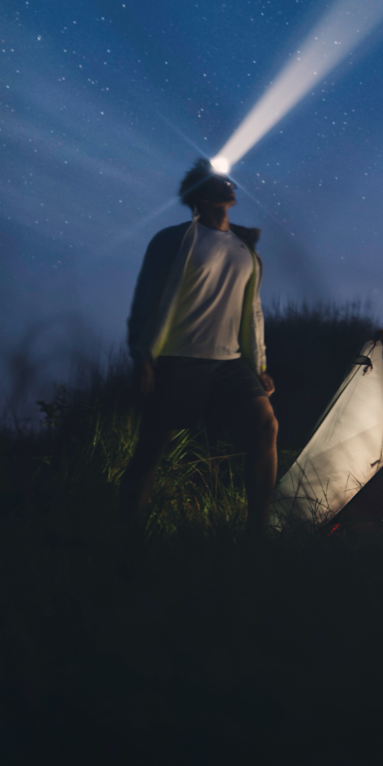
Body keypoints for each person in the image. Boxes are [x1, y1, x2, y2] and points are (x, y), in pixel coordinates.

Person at [119, 158, 278, 535]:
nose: (229, 185)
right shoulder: (174, 239)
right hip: (179, 359)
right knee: (154, 446)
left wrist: (258, 366)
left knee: (265, 426)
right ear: (201, 197)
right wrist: (143, 355)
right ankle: (128, 534)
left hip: (230, 363)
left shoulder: (246, 249)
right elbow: (147, 297)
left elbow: (252, 310)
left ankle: (258, 531)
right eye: (219, 182)